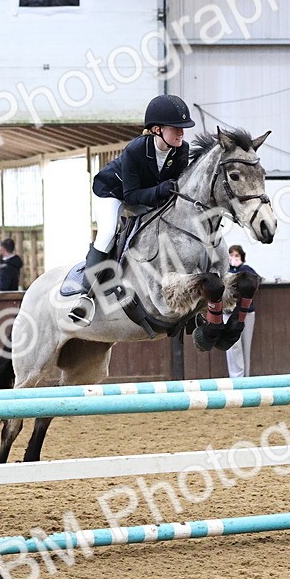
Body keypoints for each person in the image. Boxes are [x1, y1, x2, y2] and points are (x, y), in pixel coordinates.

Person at [67, 94, 196, 325]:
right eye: (175, 128)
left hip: (145, 192)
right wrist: (159, 191)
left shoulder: (181, 150)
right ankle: (84, 295)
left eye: (183, 128)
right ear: (156, 129)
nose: (181, 133)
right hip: (112, 192)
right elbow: (130, 196)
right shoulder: (135, 150)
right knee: (107, 233)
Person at [223, 244, 258, 378]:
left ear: (242, 257)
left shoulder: (247, 270)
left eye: (236, 255)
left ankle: (246, 378)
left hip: (247, 313)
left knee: (246, 346)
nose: (234, 258)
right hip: (228, 312)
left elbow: (252, 281)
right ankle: (236, 378)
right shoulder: (224, 271)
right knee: (233, 347)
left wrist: (237, 269)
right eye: (231, 255)